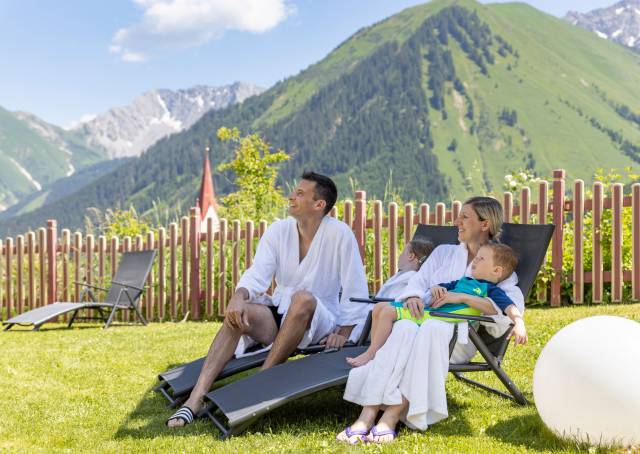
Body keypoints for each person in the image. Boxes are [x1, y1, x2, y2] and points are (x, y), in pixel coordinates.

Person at [167, 171, 369, 428]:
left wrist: (345, 331)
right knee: (239, 315)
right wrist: (239, 296)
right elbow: (257, 273)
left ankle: (256, 389)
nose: (291, 196)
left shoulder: (339, 234)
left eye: (300, 193)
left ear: (319, 205)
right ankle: (194, 399)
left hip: (319, 319)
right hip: (280, 311)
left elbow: (355, 286)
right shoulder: (278, 231)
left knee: (303, 299)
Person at [339, 196, 528, 444]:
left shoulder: (496, 261)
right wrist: (415, 297)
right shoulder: (444, 253)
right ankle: (368, 411)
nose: (456, 221)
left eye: (464, 217)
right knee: (405, 327)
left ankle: (392, 415)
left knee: (429, 329)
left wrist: (464, 298)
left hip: (457, 340)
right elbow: (418, 282)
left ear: (484, 224)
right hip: (423, 322)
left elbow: (508, 303)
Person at [345, 243, 522, 369]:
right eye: (476, 257)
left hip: (440, 320)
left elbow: (509, 307)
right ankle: (377, 353)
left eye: (481, 259)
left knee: (388, 312)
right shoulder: (464, 280)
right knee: (379, 308)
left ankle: (371, 354)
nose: (474, 260)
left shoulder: (490, 289)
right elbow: (443, 286)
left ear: (496, 271)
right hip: (434, 313)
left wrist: (519, 323)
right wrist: (437, 288)